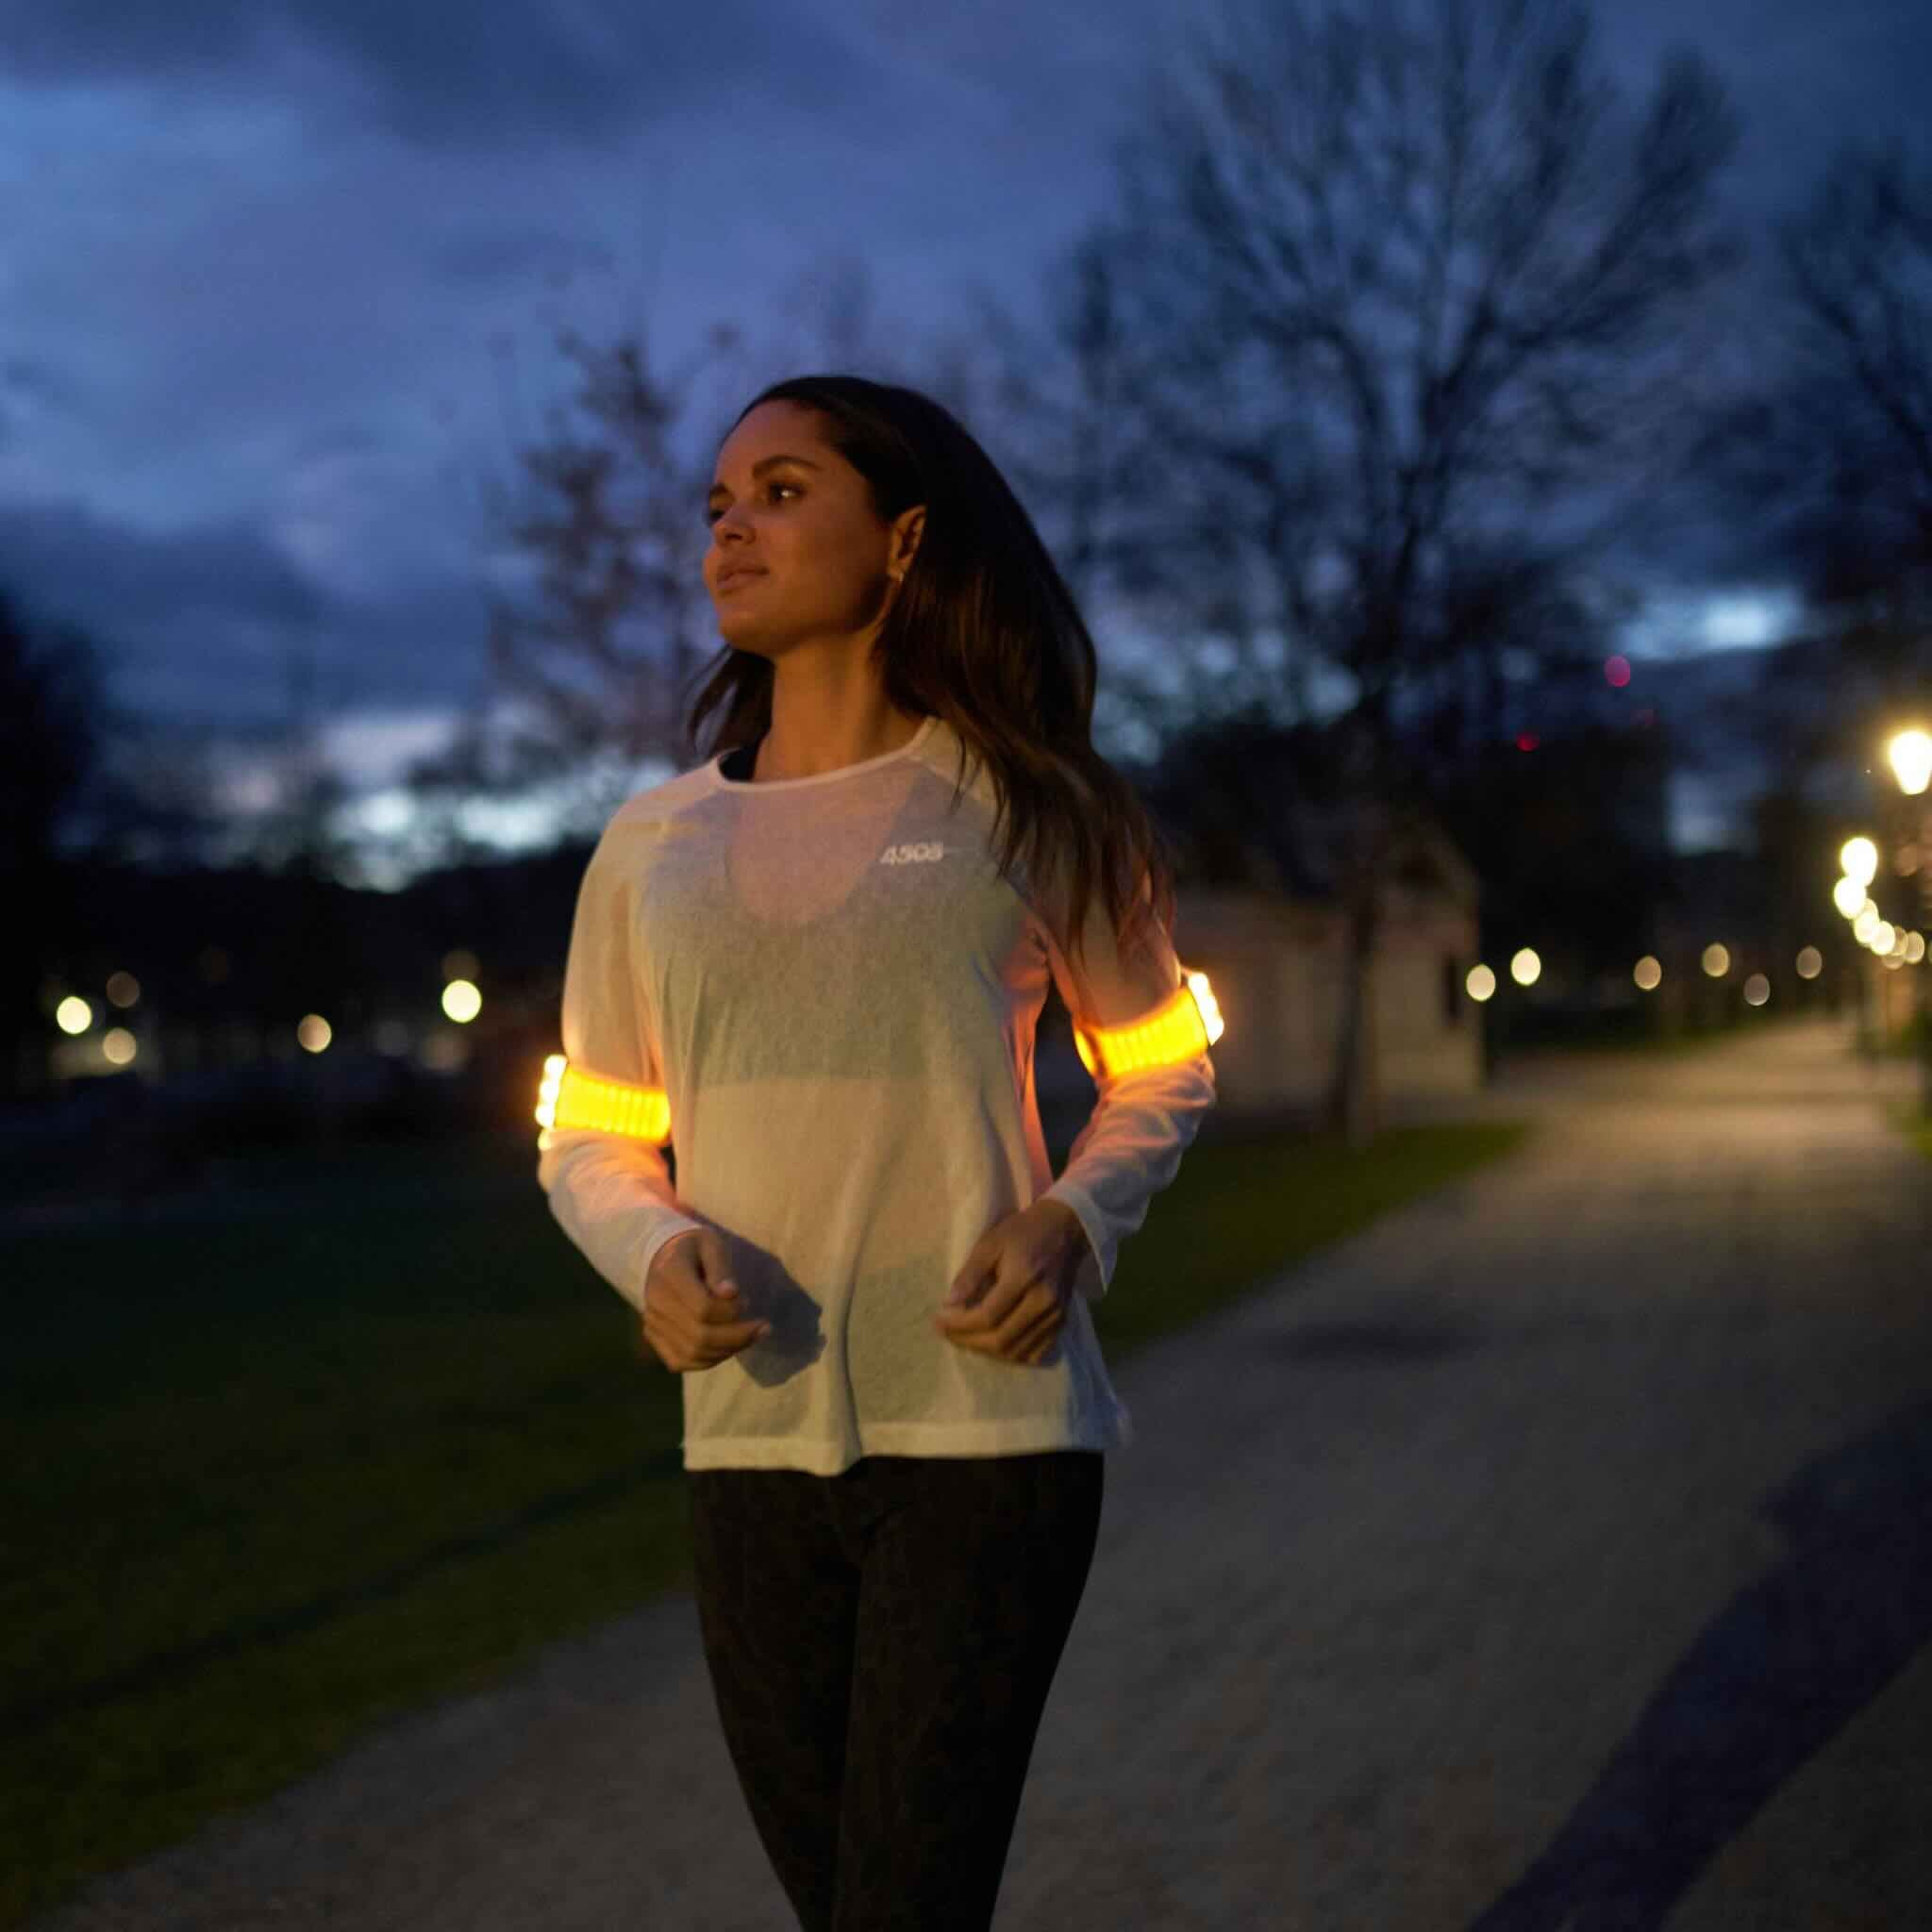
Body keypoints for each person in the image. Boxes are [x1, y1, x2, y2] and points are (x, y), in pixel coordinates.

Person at [537, 374, 1219, 1930]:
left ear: (905, 541)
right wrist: (648, 1253)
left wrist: (1072, 1222)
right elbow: (591, 1129)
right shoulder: (648, 849)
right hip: (748, 1445)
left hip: (987, 1438)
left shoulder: (1033, 806)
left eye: (781, 491)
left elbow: (1164, 1067)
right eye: (718, 503)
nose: (731, 527)